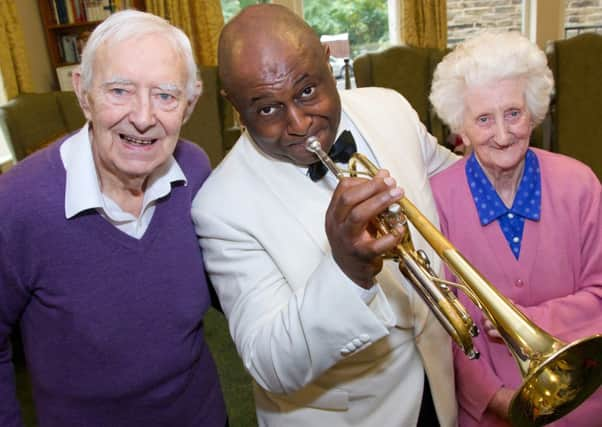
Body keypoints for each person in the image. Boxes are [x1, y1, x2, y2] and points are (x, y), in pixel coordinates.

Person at [192, 4, 459, 426]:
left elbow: (451, 179)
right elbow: (269, 364)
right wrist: (346, 270)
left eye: (306, 91)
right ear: (233, 106)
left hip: (441, 385)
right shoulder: (219, 207)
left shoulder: (389, 108)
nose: (298, 124)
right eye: (266, 109)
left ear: (326, 58)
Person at [0, 10, 227, 427]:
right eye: (119, 90)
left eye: (165, 95)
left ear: (190, 104)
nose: (143, 117)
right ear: (83, 93)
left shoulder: (194, 171)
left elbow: (226, 284)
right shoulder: (16, 206)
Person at [429, 31, 602, 427]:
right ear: (462, 127)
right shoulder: (437, 201)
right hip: (493, 411)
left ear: (534, 111)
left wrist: (531, 319)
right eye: (484, 119)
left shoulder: (580, 185)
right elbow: (442, 328)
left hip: (583, 401)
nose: (503, 135)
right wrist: (496, 400)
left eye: (513, 113)